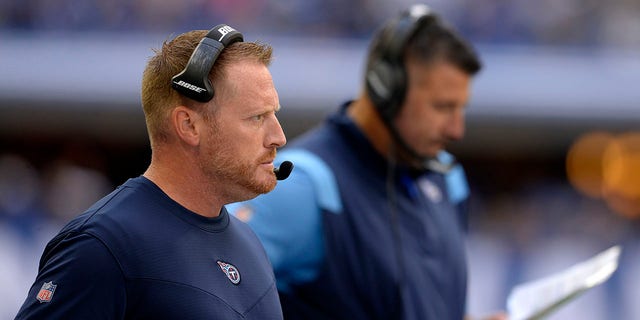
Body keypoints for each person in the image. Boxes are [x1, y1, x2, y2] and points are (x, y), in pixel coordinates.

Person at [227, 4, 507, 320]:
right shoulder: (303, 185)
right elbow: (211, 290)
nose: (457, 129)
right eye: (442, 107)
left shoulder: (449, 178)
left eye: (461, 109)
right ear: (385, 88)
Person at [15, 24, 287, 319]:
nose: (278, 137)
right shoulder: (101, 247)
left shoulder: (248, 243)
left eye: (274, 114)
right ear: (189, 126)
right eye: (257, 117)